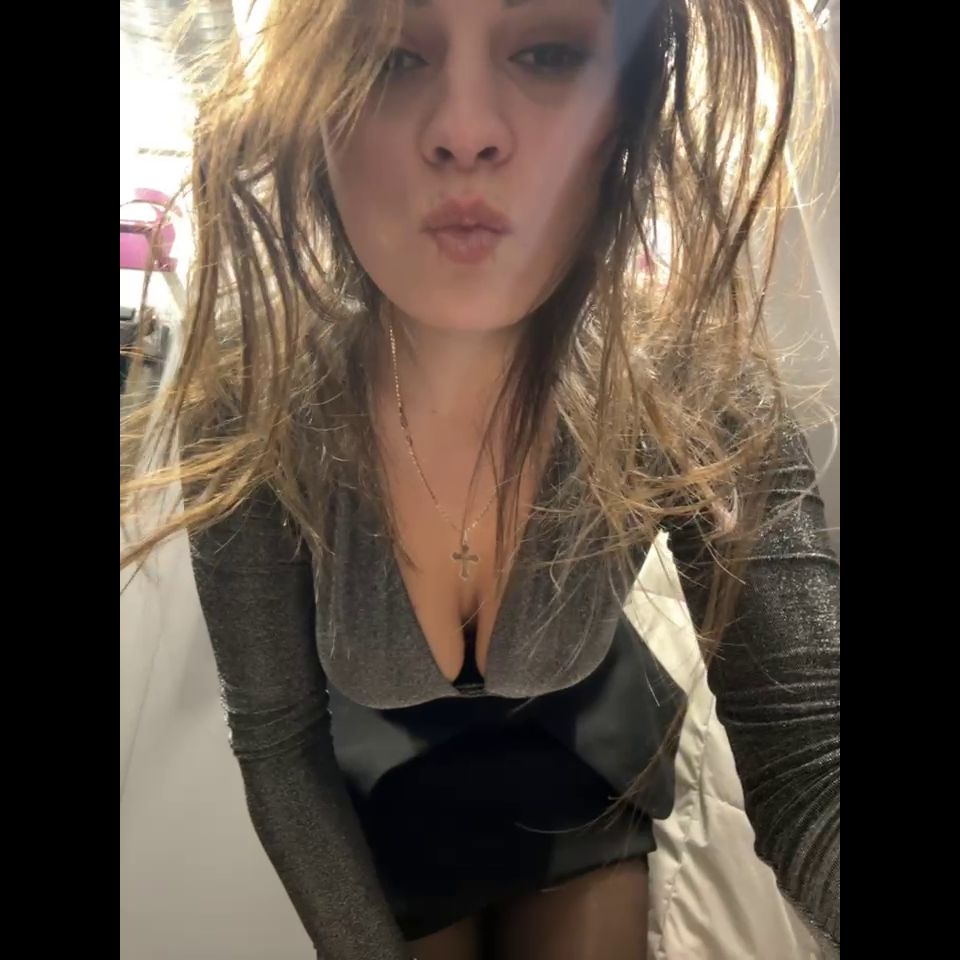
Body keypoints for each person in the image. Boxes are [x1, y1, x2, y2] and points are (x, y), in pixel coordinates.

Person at [120, 1, 839, 957]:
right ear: (311, 111)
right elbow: (278, 745)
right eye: (389, 60)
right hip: (397, 797)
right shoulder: (255, 405)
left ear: (625, 107)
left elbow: (807, 755)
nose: (464, 132)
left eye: (547, 53)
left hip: (581, 773)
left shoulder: (695, 388)